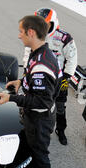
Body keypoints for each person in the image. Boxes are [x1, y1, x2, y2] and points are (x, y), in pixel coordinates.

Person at [0, 15, 61, 168]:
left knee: (41, 154)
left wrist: (11, 98)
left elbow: (42, 102)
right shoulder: (39, 52)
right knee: (28, 144)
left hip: (40, 119)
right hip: (33, 117)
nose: (18, 36)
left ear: (31, 32)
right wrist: (20, 82)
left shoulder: (42, 64)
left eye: (21, 32)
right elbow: (32, 77)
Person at [34, 8, 77, 145]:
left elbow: (72, 58)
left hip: (60, 79)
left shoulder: (65, 38)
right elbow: (28, 53)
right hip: (41, 76)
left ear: (53, 22)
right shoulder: (35, 35)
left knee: (60, 107)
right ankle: (38, 128)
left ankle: (61, 129)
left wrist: (67, 76)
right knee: (38, 103)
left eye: (46, 24)